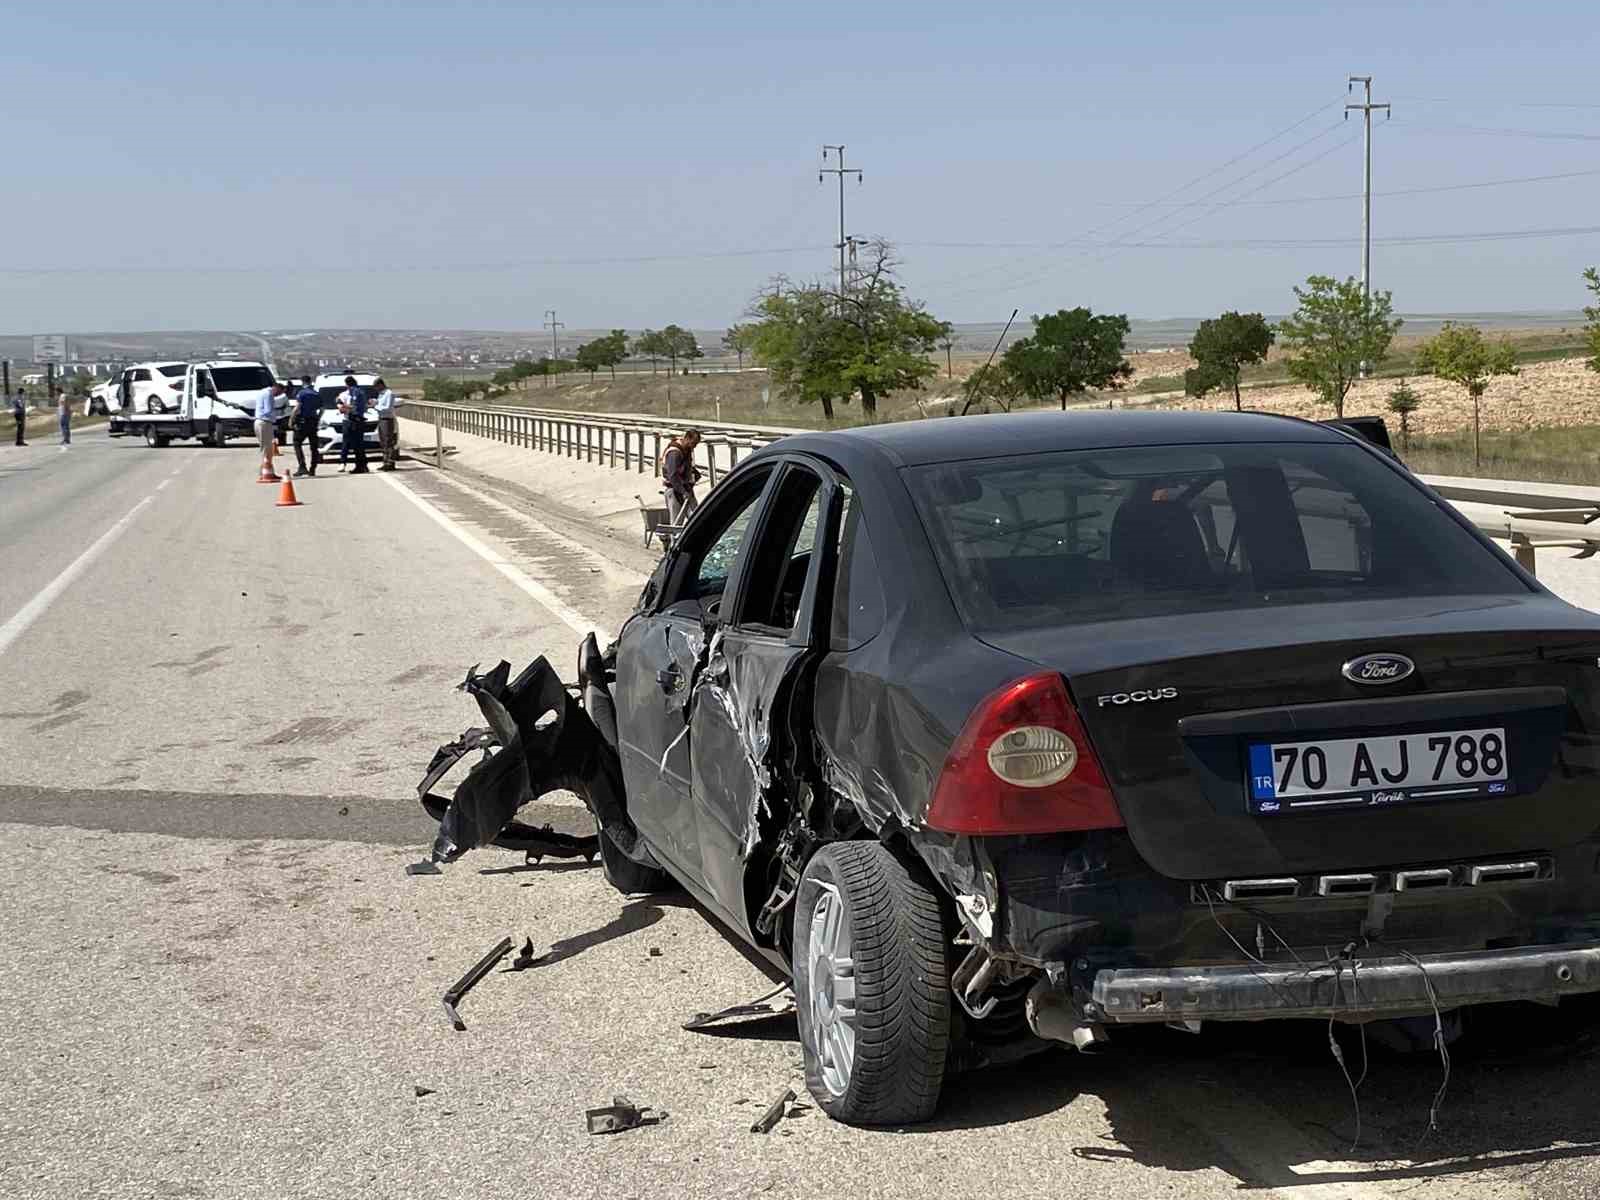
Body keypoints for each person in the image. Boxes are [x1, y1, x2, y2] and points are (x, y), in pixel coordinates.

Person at [661, 428, 704, 525]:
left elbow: (686, 468)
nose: (694, 447)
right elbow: (673, 476)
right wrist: (683, 492)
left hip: (686, 489)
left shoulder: (686, 450)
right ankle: (675, 540)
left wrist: (694, 474)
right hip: (675, 491)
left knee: (696, 519)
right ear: (687, 438)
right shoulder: (674, 453)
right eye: (693, 443)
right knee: (677, 523)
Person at [337, 375, 369, 474]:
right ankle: (362, 465)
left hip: (352, 421)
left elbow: (348, 408)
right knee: (357, 444)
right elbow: (342, 409)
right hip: (356, 420)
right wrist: (346, 407)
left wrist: (345, 406)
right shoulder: (360, 393)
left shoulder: (355, 393)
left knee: (353, 444)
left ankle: (360, 466)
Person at [255, 381, 286, 480]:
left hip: (259, 422)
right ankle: (266, 472)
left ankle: (266, 471)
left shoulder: (262, 392)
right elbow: (268, 410)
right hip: (265, 422)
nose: (278, 395)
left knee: (265, 448)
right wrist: (278, 415)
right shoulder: (269, 395)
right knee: (268, 449)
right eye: (279, 393)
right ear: (276, 388)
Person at [291, 376, 321, 477]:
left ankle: (302, 466)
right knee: (314, 446)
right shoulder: (316, 394)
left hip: (303, 422)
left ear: (303, 382)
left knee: (297, 443)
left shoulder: (302, 393)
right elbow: (322, 409)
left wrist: (291, 420)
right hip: (313, 422)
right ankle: (313, 468)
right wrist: (318, 419)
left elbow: (297, 408)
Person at [372, 377, 399, 471]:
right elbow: (380, 404)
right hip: (381, 419)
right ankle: (385, 461)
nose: (376, 389)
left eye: (376, 387)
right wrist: (375, 402)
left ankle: (390, 463)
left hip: (387, 419)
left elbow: (387, 408)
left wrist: (375, 406)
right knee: (383, 442)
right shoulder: (380, 394)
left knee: (388, 442)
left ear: (380, 385)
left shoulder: (389, 394)